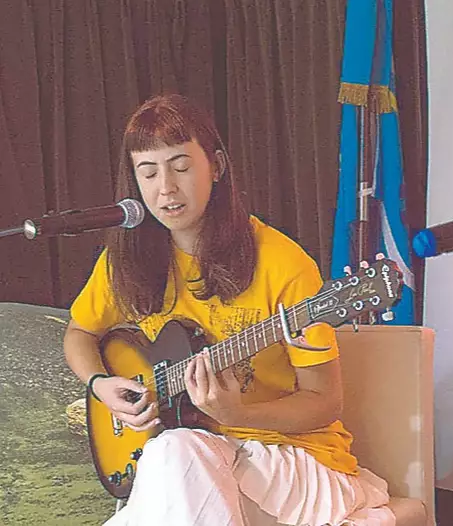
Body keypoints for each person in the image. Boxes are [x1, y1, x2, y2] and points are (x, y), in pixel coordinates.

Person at [63, 94, 393, 526]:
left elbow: (324, 402)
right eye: (149, 172)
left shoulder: (282, 263)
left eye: (181, 167)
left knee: (173, 453)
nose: (166, 188)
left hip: (292, 457)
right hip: (190, 456)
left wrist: (240, 415)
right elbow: (79, 333)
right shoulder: (126, 261)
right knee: (174, 453)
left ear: (216, 167)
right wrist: (100, 383)